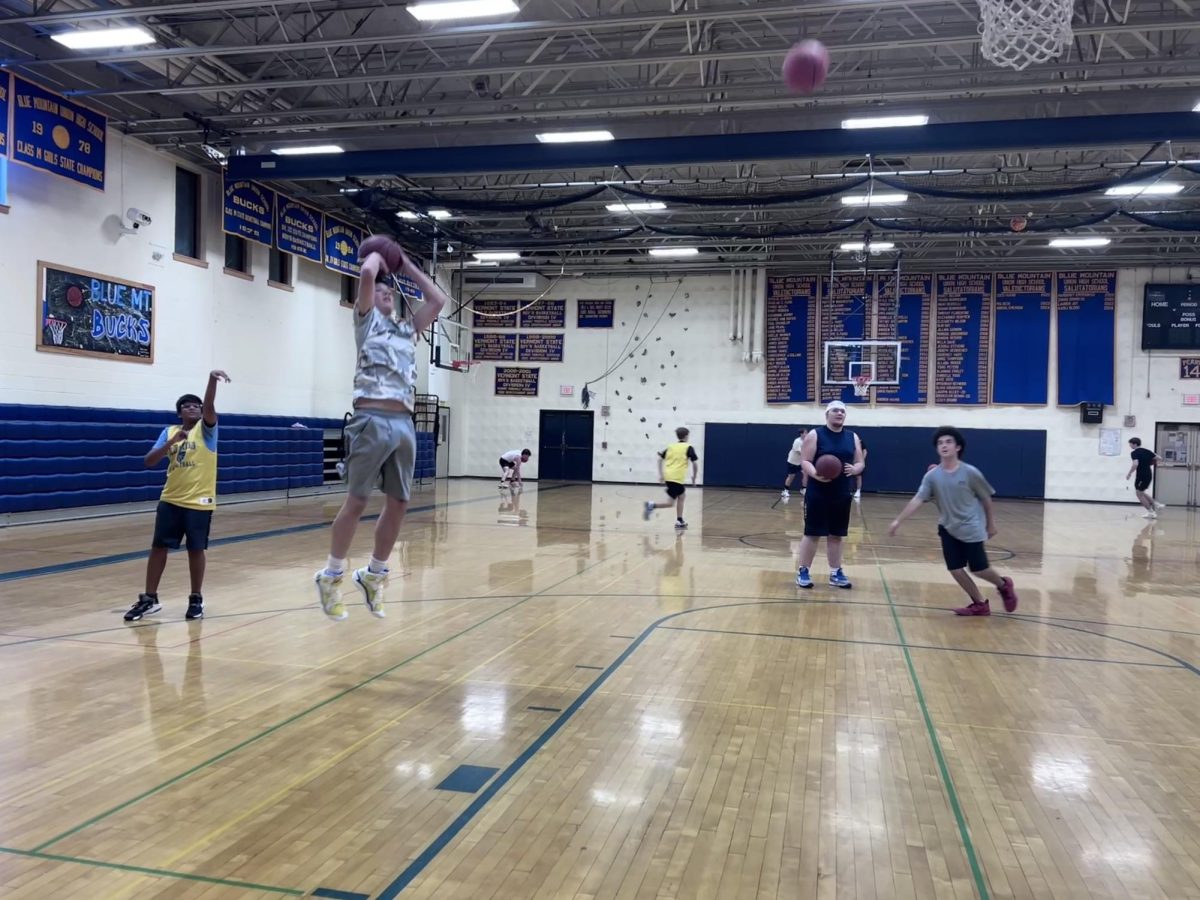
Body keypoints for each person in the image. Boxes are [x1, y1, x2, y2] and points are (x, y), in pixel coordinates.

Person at [313, 243, 447, 621]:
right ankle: (332, 574)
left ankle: (374, 574)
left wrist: (406, 264)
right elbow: (369, 275)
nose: (386, 293)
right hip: (371, 419)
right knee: (357, 501)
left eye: (391, 292)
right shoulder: (366, 321)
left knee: (400, 503)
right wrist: (376, 254)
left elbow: (438, 299)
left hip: (404, 423)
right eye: (381, 292)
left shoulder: (408, 331)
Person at [124, 370, 231, 622]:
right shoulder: (169, 431)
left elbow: (210, 406)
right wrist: (170, 442)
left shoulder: (207, 431)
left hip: (199, 502)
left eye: (197, 405)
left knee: (196, 549)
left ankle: (195, 598)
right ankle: (149, 599)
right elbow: (149, 461)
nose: (192, 408)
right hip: (170, 499)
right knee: (158, 547)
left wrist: (211, 380)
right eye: (187, 405)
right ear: (179, 412)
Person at [887, 426, 1019, 617]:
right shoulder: (932, 476)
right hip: (948, 528)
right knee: (955, 569)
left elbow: (986, 498)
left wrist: (990, 524)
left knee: (979, 569)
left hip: (971, 527)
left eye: (948, 442)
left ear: (958, 447)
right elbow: (918, 499)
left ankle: (1004, 585)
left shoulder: (970, 472)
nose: (944, 445)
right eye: (940, 443)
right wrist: (898, 521)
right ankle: (980, 604)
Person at [795, 401, 864, 589]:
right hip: (818, 492)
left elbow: (860, 462)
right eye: (835, 410)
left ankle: (835, 573)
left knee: (836, 534)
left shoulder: (852, 437)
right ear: (827, 414)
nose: (839, 413)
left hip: (841, 492)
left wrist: (855, 468)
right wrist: (816, 473)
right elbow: (805, 461)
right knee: (812, 533)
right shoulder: (815, 435)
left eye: (842, 411)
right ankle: (803, 571)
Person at [643, 427, 698, 529]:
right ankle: (651, 506)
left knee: (682, 496)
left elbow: (660, 459)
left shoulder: (671, 446)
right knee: (670, 503)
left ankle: (679, 520)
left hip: (669, 476)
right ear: (686, 436)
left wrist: (661, 474)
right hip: (676, 478)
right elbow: (695, 464)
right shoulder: (688, 447)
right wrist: (694, 478)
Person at [1126, 437, 1165, 518]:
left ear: (1135, 444)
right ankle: (1157, 504)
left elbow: (1135, 464)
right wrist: (1149, 463)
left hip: (1141, 475)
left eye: (1130, 444)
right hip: (1148, 474)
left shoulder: (1134, 453)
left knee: (1139, 494)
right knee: (1141, 492)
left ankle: (1151, 512)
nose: (1130, 446)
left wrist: (1129, 473)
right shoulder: (1147, 451)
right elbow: (1160, 458)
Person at [780, 428, 807, 502]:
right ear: (801, 434)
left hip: (801, 461)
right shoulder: (797, 441)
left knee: (805, 474)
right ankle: (785, 491)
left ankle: (803, 489)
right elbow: (799, 452)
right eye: (805, 433)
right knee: (791, 476)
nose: (806, 434)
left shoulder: (806, 441)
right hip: (793, 461)